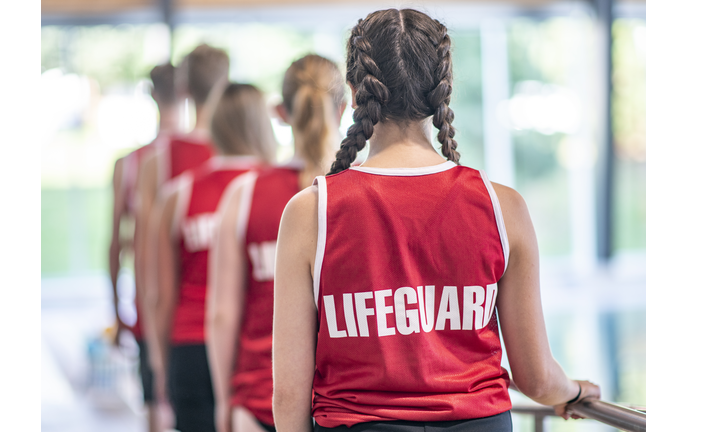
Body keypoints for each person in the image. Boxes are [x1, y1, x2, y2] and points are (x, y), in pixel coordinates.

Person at [272, 9, 602, 432]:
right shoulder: (503, 207)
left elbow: (289, 395)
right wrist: (573, 392)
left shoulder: (309, 213)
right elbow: (535, 376)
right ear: (441, 91)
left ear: (355, 95)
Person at [206, 54, 347, 432]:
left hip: (258, 402)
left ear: (281, 111)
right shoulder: (364, 195)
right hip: (343, 409)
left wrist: (223, 404)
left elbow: (222, 315)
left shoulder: (245, 194)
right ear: (345, 108)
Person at [150, 83, 276, 432]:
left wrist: (161, 366)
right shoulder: (279, 191)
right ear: (261, 125)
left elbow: (160, 295)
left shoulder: (178, 195)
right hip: (256, 353)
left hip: (191, 350)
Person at [137, 44, 230, 410]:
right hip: (244, 339)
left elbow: (150, 274)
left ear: (184, 89)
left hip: (187, 338)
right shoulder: (253, 159)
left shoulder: (157, 161)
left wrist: (157, 358)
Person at [108, 62, 177, 432]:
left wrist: (116, 311)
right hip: (190, 310)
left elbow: (114, 245)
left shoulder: (128, 165)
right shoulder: (208, 157)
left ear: (152, 94)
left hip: (147, 308)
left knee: (155, 409)